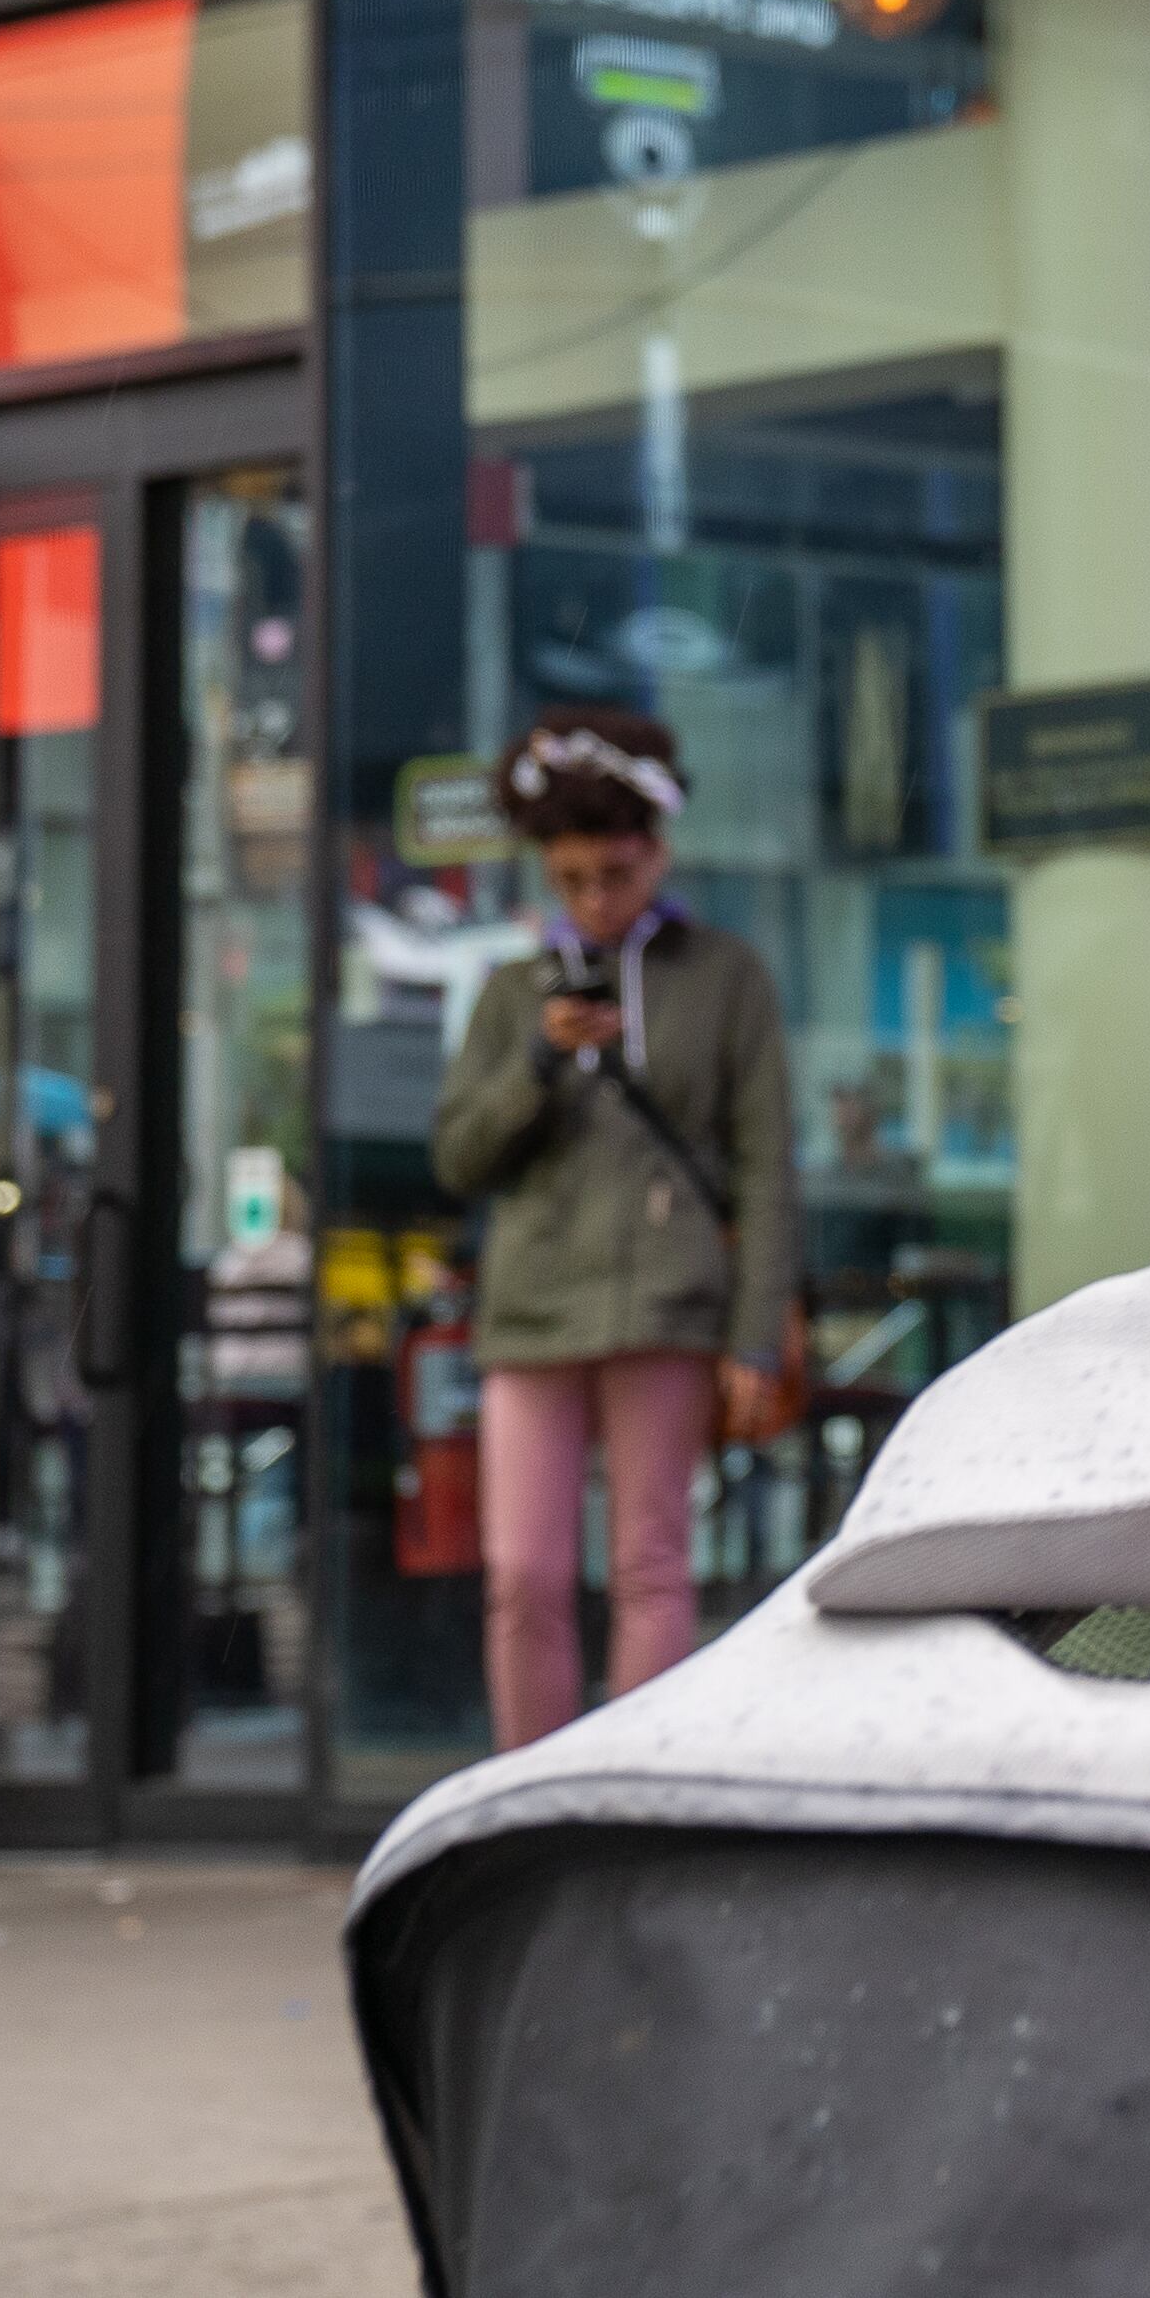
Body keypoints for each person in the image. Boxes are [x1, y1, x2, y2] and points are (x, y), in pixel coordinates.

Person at [429, 707, 802, 1750]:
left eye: (617, 874)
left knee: (650, 1565)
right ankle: (528, 1799)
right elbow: (458, 1157)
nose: (595, 900)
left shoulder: (725, 978)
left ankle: (632, 1793)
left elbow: (770, 1165)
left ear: (659, 856)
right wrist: (538, 1064)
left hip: (669, 1302)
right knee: (523, 1575)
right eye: (573, 878)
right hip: (534, 1304)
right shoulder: (512, 992)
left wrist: (755, 1333)